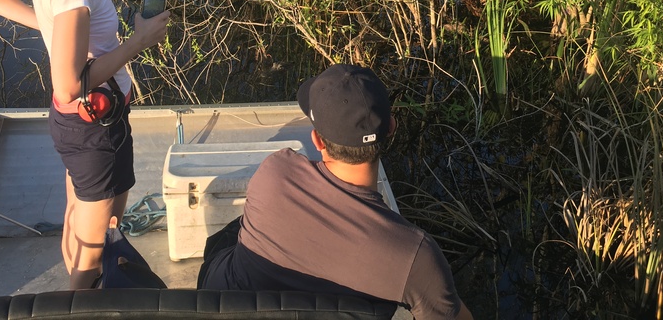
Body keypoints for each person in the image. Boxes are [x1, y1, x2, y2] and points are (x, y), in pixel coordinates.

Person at [0, 0, 170, 290]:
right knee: (93, 248)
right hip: (93, 127)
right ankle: (79, 302)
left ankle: (87, 284)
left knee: (81, 214)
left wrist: (52, 27)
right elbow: (70, 83)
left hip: (80, 123)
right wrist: (140, 40)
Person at [198, 64, 473, 320]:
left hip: (221, 304)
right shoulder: (417, 256)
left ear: (317, 140)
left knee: (232, 234)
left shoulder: (275, 171)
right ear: (391, 128)